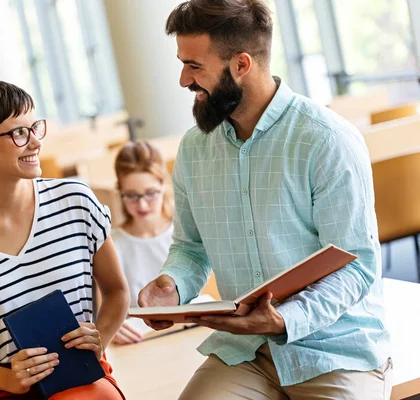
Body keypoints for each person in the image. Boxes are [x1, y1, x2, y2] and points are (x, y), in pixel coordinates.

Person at [138, 1, 392, 399]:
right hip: (245, 352)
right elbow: (190, 248)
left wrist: (282, 320)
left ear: (241, 65)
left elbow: (356, 267)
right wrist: (172, 286)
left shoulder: (326, 139)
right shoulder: (194, 149)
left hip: (334, 349)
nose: (183, 80)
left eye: (195, 66)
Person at [0, 79, 129, 400]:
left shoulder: (76, 201)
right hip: (3, 391)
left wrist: (101, 337)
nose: (35, 143)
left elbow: (117, 291)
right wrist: (7, 379)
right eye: (18, 133)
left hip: (80, 382)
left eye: (34, 127)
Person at [110, 141, 174, 345]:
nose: (142, 204)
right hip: (140, 341)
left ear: (164, 185)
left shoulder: (185, 232)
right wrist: (113, 324)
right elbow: (106, 309)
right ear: (120, 191)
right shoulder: (112, 244)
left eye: (150, 193)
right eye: (131, 196)